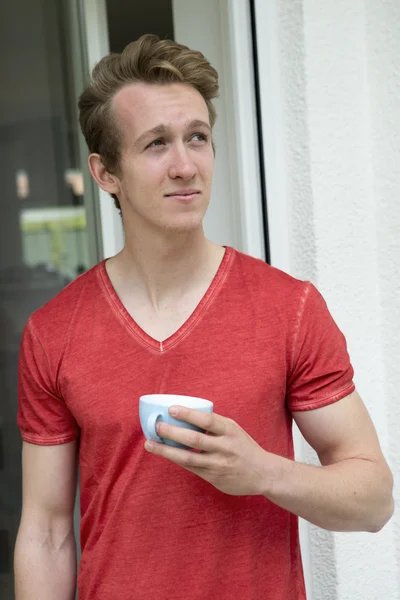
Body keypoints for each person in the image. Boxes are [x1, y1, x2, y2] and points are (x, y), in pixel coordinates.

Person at [14, 34, 393, 600]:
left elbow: (375, 501)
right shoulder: (53, 332)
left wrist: (262, 471)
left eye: (198, 137)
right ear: (105, 173)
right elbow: (45, 534)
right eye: (156, 145)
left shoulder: (289, 309)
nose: (185, 165)